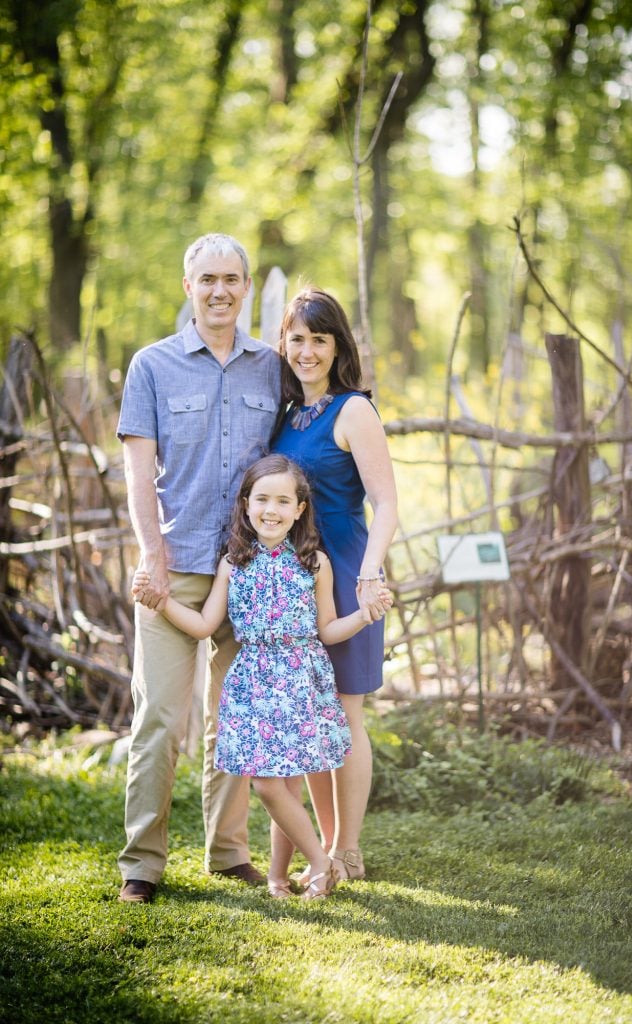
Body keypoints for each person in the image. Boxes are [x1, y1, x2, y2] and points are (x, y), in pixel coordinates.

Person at [132, 455, 392, 899]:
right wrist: (161, 602)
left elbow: (327, 629)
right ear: (246, 504)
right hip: (253, 684)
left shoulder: (316, 565)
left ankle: (278, 875)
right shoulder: (233, 564)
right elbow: (204, 626)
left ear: (299, 509)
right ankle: (319, 862)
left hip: (300, 682)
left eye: (283, 501)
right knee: (268, 784)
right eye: (262, 499)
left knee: (287, 784)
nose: (271, 510)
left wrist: (364, 616)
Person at [116, 232, 281, 903]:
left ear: (244, 288)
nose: (219, 291)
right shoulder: (151, 367)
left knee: (232, 716)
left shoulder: (270, 368)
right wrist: (151, 557)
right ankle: (142, 865)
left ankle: (228, 850)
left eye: (231, 279)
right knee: (158, 715)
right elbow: (136, 472)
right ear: (188, 287)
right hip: (175, 567)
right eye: (207, 279)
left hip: (246, 568)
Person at [270, 287, 398, 883]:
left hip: (345, 570)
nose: (307, 351)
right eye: (297, 338)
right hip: (296, 578)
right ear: (284, 344)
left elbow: (387, 504)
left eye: (319, 339)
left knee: (345, 713)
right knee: (311, 714)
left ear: (337, 344)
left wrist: (371, 572)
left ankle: (348, 851)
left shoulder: (354, 410)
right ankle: (327, 849)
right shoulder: (287, 413)